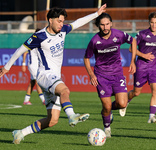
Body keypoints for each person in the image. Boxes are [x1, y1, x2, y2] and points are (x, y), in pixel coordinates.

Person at [0, 4, 106, 144]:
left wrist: (96, 14)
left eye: (63, 21)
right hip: (45, 75)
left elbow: (77, 23)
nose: (62, 24)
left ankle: (20, 133)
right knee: (65, 90)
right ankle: (72, 115)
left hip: (54, 78)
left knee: (52, 120)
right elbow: (20, 50)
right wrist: (7, 67)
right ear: (50, 20)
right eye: (59, 21)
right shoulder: (39, 36)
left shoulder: (62, 31)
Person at [84, 13, 136, 138]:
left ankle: (107, 112)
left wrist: (133, 61)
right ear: (98, 26)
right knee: (106, 106)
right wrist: (91, 74)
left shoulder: (118, 35)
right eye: (102, 24)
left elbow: (133, 41)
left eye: (107, 24)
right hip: (101, 76)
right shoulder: (94, 41)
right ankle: (107, 128)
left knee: (122, 104)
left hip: (117, 74)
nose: (105, 27)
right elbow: (86, 58)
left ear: (111, 23)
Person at [119, 12, 156, 124]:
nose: (154, 25)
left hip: (153, 68)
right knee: (136, 92)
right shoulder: (142, 34)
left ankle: (151, 116)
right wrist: (144, 56)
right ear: (149, 23)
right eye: (152, 23)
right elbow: (131, 49)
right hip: (141, 67)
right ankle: (126, 102)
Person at [22, 29, 45, 105]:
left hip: (36, 65)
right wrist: (23, 64)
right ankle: (43, 100)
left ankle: (26, 100)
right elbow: (25, 52)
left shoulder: (39, 41)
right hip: (32, 65)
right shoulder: (32, 41)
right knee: (38, 81)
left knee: (32, 82)